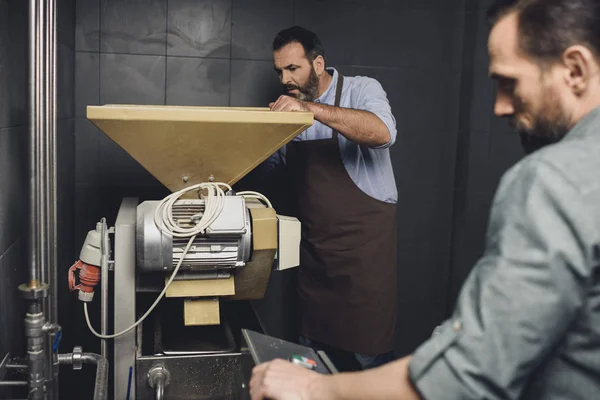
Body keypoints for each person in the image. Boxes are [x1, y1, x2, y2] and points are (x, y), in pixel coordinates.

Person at [249, 0, 600, 398]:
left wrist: (315, 389)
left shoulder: (551, 179)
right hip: (315, 265)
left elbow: (472, 369)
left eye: (510, 82)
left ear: (575, 69)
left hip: (362, 264)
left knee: (367, 353)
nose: (500, 106)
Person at [260, 26, 399, 371]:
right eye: (280, 71)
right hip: (315, 260)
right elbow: (272, 174)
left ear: (318, 64)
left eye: (293, 69)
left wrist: (310, 110)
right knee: (311, 360)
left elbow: (383, 132)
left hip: (364, 262)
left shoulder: (361, 89)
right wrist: (263, 133)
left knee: (371, 362)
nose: (285, 79)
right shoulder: (284, 109)